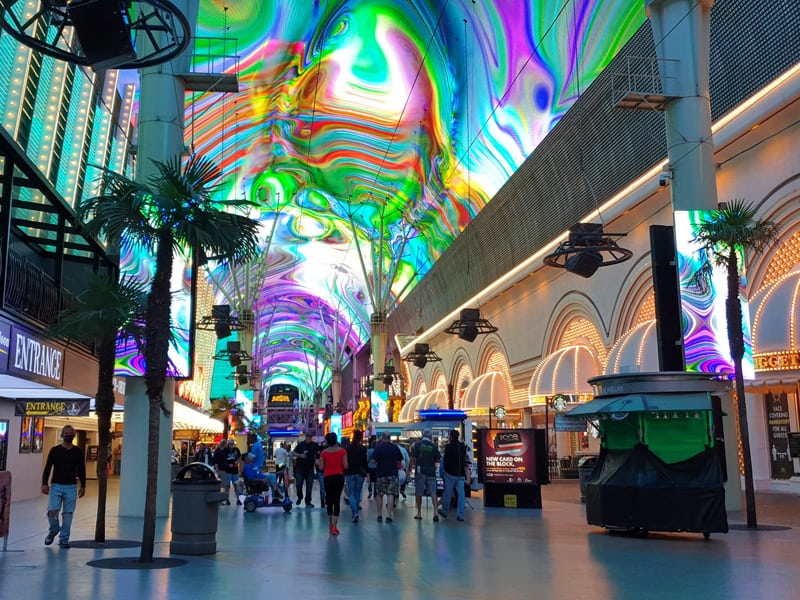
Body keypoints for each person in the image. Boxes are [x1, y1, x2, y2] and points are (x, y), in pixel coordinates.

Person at [41, 425, 86, 548]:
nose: (68, 435)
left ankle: (64, 538)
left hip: (71, 486)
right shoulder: (55, 450)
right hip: (56, 485)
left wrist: (83, 485)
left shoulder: (78, 452)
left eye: (70, 433)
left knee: (68, 514)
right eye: (66, 433)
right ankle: (54, 530)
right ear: (62, 435)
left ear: (74, 435)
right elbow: (48, 467)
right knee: (52, 511)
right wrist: (44, 483)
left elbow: (81, 469)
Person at [318, 432, 348, 535]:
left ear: (327, 441)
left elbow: (321, 468)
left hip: (327, 477)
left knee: (329, 501)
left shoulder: (324, 453)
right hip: (339, 477)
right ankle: (335, 526)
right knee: (337, 501)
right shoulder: (342, 451)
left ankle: (330, 524)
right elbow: (345, 466)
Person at [409, 428, 441, 522]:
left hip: (420, 472)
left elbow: (413, 459)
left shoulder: (417, 445)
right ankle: (435, 512)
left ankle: (419, 513)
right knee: (433, 492)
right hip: (431, 471)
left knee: (419, 492)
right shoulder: (433, 446)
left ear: (423, 435)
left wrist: (410, 468)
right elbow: (438, 459)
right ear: (430, 436)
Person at [439, 429, 471, 522]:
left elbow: (446, 460)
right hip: (460, 475)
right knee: (461, 495)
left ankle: (445, 511)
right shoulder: (462, 446)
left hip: (450, 474)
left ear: (451, 437)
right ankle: (460, 514)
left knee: (448, 493)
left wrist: (444, 471)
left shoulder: (449, 446)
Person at [371, 431, 403, 523]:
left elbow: (373, 461)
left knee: (379, 494)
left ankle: (379, 515)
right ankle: (389, 515)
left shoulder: (379, 448)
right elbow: (399, 461)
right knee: (390, 494)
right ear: (390, 437)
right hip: (392, 474)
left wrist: (379, 463)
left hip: (380, 474)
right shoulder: (395, 448)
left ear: (382, 437)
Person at [344, 429, 368, 523]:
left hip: (350, 472)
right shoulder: (363, 449)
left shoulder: (348, 448)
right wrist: (367, 472)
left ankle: (354, 513)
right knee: (358, 492)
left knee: (351, 493)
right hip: (360, 472)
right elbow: (365, 462)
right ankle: (356, 511)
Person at [292, 433, 318, 507]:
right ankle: (300, 496)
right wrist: (300, 455)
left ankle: (308, 501)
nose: (309, 438)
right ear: (305, 437)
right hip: (300, 468)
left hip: (309, 469)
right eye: (308, 437)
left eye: (310, 437)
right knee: (298, 484)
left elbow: (319, 452)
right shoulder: (301, 445)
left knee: (309, 486)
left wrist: (316, 459)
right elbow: (293, 452)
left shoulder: (314, 445)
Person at [220, 438, 242, 505]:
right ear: (228, 444)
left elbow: (239, 458)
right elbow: (223, 460)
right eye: (230, 444)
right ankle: (227, 499)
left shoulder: (236, 450)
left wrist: (237, 462)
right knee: (227, 486)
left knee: (236, 485)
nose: (231, 445)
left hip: (235, 471)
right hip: (228, 471)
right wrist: (228, 464)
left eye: (232, 444)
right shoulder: (225, 450)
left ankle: (238, 499)